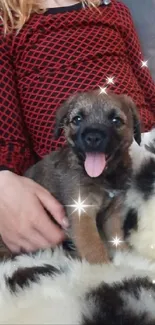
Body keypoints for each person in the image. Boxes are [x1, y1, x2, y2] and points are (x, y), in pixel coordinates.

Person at [0, 0, 155, 254]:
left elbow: (146, 87)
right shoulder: (8, 21)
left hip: (142, 148)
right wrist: (5, 177)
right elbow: (8, 133)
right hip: (77, 169)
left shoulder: (113, 11)